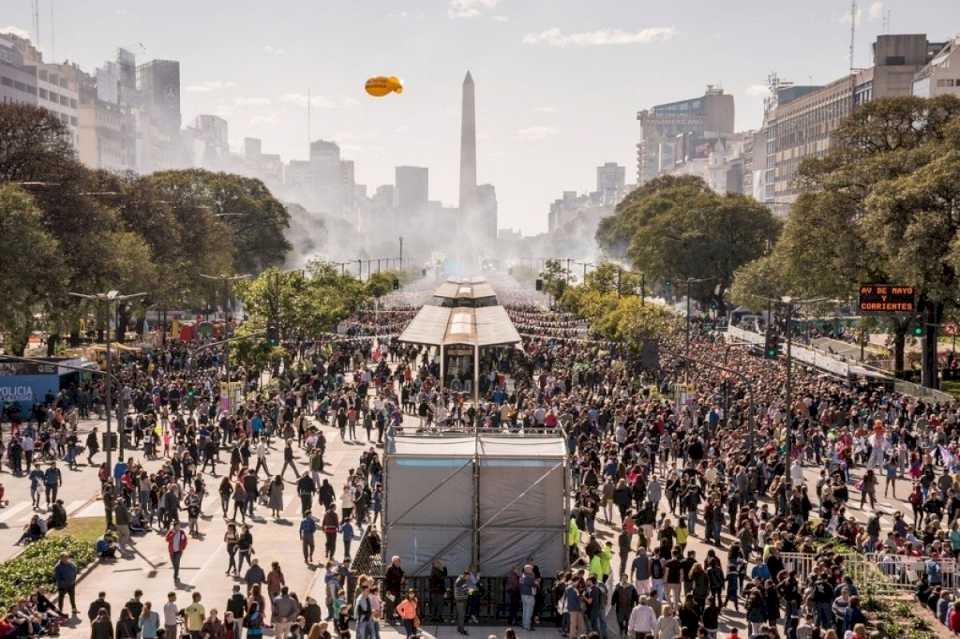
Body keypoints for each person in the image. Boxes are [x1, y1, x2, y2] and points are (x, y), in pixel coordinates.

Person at [454, 569, 471, 635]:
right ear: (465, 575)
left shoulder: (461, 579)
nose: (469, 578)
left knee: (460, 615)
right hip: (461, 600)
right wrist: (470, 591)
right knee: (462, 616)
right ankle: (461, 630)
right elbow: (465, 590)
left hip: (460, 599)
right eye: (468, 576)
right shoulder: (461, 580)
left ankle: (459, 628)